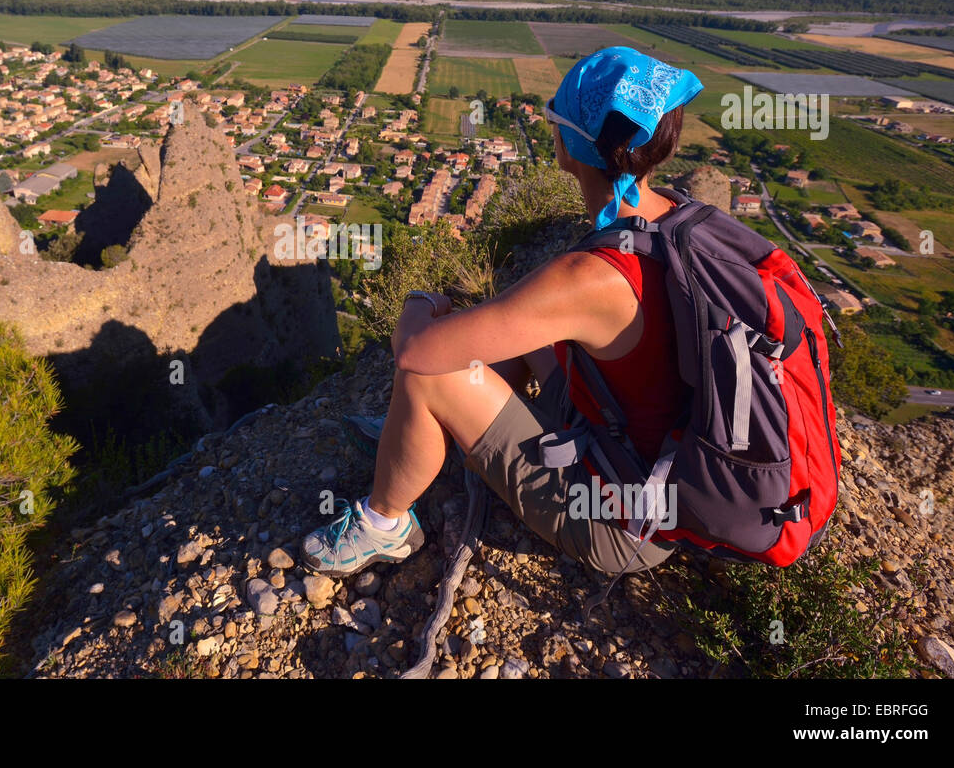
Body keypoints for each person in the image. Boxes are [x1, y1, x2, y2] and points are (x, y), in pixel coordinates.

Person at [300, 47, 704, 578]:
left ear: (571, 145)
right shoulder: (677, 217)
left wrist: (418, 304)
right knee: (513, 328)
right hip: (657, 464)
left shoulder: (589, 276)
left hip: (622, 522)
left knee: (426, 371)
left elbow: (414, 351)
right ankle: (426, 435)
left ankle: (385, 522)